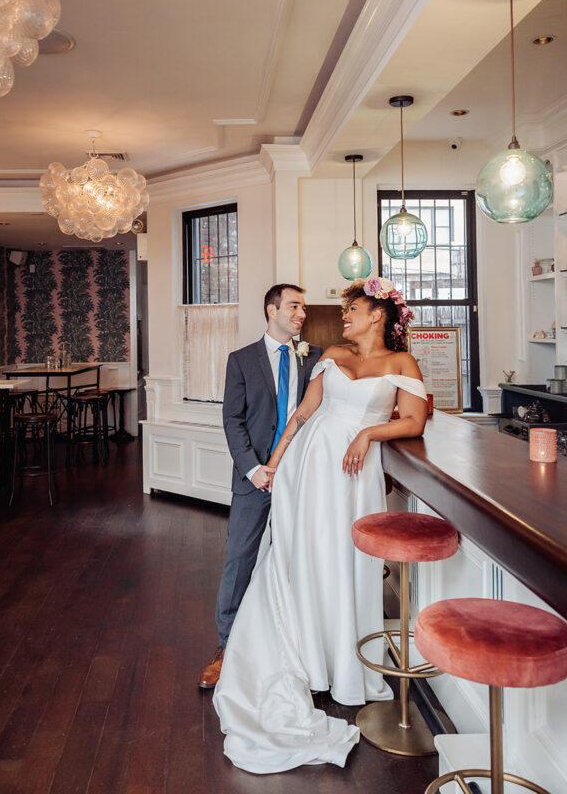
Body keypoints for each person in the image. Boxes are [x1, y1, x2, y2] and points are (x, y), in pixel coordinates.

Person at [212, 277, 428, 773]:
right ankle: (307, 656)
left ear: (379, 315)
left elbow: (413, 421)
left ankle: (345, 662)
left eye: (352, 308)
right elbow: (303, 415)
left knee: (346, 560)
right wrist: (275, 463)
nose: (342, 315)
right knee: (305, 557)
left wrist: (369, 433)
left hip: (354, 476)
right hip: (308, 471)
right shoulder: (330, 353)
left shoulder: (401, 364)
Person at [198, 284, 323, 689]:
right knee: (240, 559)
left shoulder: (317, 357)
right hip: (254, 477)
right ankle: (226, 646)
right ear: (271, 309)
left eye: (302, 306)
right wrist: (253, 469)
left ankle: (298, 645)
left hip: (301, 475)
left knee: (299, 559)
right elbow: (232, 420)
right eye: (294, 305)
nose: (301, 312)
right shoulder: (240, 360)